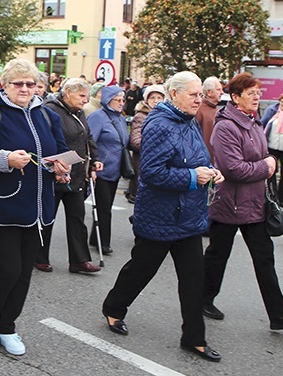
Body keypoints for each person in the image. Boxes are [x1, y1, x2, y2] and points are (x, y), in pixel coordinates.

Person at [102, 71, 225, 362]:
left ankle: (194, 338)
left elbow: (197, 158)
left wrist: (210, 172)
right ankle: (114, 307)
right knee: (141, 270)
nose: (200, 99)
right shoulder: (159, 124)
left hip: (189, 214)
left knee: (193, 279)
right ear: (174, 95)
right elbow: (153, 173)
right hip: (160, 214)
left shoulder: (189, 119)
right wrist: (194, 176)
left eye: (200, 94)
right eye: (194, 94)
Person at [0, 59, 70, 356]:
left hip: (38, 208)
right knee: (8, 270)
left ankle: (8, 325)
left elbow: (58, 153)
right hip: (3, 206)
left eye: (30, 83)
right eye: (18, 84)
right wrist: (4, 159)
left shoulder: (47, 116)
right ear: (5, 86)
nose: (25, 89)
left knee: (24, 273)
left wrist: (61, 168)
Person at [201, 73, 283, 331]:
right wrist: (267, 165)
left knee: (264, 259)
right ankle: (203, 299)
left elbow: (260, 156)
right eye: (251, 93)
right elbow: (234, 169)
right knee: (218, 255)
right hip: (229, 202)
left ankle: (279, 315)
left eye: (258, 92)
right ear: (236, 97)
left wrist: (267, 162)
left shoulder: (254, 122)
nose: (257, 97)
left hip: (254, 203)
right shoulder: (225, 126)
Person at [35, 78, 104, 273]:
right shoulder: (50, 110)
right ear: (68, 93)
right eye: (82, 96)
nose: (85, 100)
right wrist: (54, 167)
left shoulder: (79, 112)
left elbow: (87, 136)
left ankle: (79, 260)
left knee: (77, 217)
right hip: (55, 173)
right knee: (48, 216)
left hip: (76, 173)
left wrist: (95, 159)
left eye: (87, 96)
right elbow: (46, 142)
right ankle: (39, 256)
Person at [87, 86, 128, 255]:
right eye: (117, 100)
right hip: (101, 169)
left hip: (115, 169)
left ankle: (93, 238)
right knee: (103, 207)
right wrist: (92, 164)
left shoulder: (121, 119)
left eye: (123, 100)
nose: (121, 103)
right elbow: (89, 141)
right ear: (107, 100)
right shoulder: (97, 117)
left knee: (107, 204)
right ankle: (103, 241)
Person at [126, 84, 166, 203]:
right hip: (143, 163)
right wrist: (160, 146)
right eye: (152, 97)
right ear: (146, 100)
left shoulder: (166, 116)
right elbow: (136, 142)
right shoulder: (141, 116)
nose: (156, 101)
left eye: (159, 97)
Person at [195, 76, 223, 163]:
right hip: (203, 163)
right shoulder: (198, 110)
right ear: (209, 92)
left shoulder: (218, 111)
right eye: (218, 89)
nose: (222, 92)